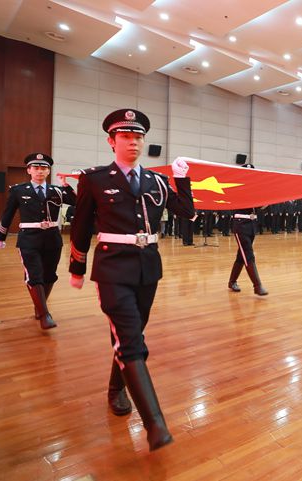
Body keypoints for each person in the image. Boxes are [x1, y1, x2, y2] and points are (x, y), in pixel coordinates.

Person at [68, 109, 194, 451]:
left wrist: (181, 179)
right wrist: (77, 267)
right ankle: (156, 426)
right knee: (131, 340)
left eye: (138, 136)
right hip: (112, 267)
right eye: (126, 136)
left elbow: (187, 213)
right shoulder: (94, 179)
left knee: (130, 335)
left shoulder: (156, 181)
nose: (134, 142)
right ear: (111, 141)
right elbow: (80, 225)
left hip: (147, 267)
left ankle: (115, 388)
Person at [0, 153, 77, 330]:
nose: (40, 171)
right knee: (34, 274)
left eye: (44, 168)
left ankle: (40, 307)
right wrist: (1, 236)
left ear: (48, 171)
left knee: (49, 275)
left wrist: (66, 185)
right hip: (29, 239)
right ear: (29, 170)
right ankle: (45, 314)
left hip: (52, 239)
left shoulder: (57, 191)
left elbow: (75, 202)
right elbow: (8, 214)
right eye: (36, 167)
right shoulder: (18, 190)